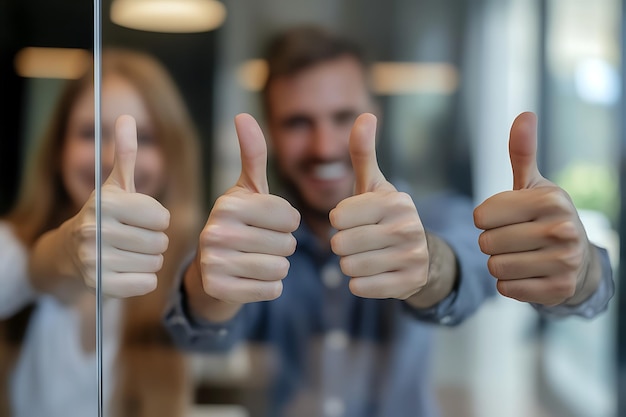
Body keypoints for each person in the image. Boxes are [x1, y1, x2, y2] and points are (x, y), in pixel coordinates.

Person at [164, 25, 614, 417]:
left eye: (343, 117)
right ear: (272, 131)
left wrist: (579, 270)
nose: (323, 147)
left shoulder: (436, 215)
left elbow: (465, 264)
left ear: (373, 114)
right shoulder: (256, 236)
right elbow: (200, 341)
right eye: (298, 122)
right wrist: (208, 283)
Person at [0, 48, 202, 417]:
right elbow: (24, 270)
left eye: (147, 137)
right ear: (58, 147)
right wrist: (68, 248)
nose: (113, 157)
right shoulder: (9, 245)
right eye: (91, 132)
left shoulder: (187, 266)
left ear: (174, 154)